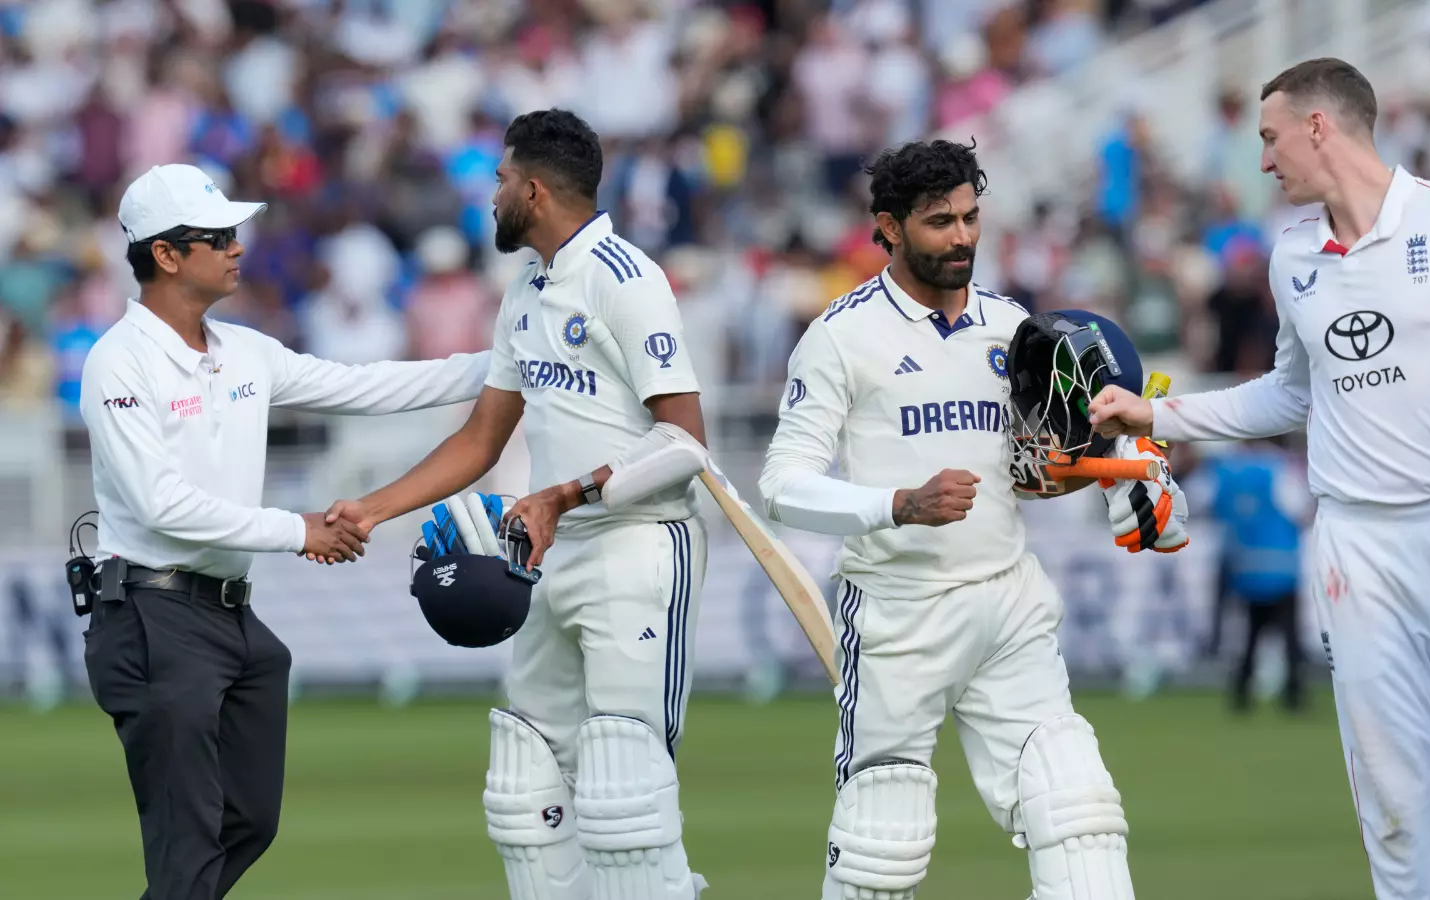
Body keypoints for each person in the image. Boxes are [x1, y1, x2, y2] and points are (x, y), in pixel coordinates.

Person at [1088, 57, 1430, 900]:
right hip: (1359, 545)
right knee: (1395, 798)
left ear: (1321, 126)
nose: (1265, 160)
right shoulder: (1292, 256)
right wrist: (1155, 415)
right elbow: (1289, 393)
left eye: (1271, 137)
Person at [757, 138, 1187, 900]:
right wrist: (898, 505)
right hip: (898, 615)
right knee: (880, 844)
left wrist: (1112, 483)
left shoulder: (1012, 326)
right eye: (938, 222)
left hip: (1008, 601)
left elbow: (1045, 455)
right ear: (887, 228)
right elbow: (782, 486)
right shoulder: (840, 337)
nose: (962, 237)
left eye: (971, 217)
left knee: (1079, 810)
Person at [322, 109, 711, 900]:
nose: (491, 195)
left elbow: (686, 443)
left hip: (639, 548)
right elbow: (481, 438)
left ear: (532, 191)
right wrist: (372, 509)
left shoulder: (626, 280)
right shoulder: (527, 289)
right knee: (525, 783)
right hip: (550, 550)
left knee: (623, 794)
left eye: (499, 181)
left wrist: (564, 494)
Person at [78, 163, 490, 900]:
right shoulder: (119, 360)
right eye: (218, 237)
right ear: (165, 255)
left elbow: (367, 388)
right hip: (149, 614)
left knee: (246, 822)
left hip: (229, 615)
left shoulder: (245, 350)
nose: (238, 247)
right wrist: (299, 530)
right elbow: (162, 505)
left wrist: (510, 364)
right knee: (188, 842)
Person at [1195, 436, 1309, 712]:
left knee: (1250, 635)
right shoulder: (1279, 468)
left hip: (1243, 565)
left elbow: (1199, 502)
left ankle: (1241, 694)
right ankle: (1293, 696)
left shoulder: (1224, 469)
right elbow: (1300, 509)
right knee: (1289, 636)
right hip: (1281, 565)